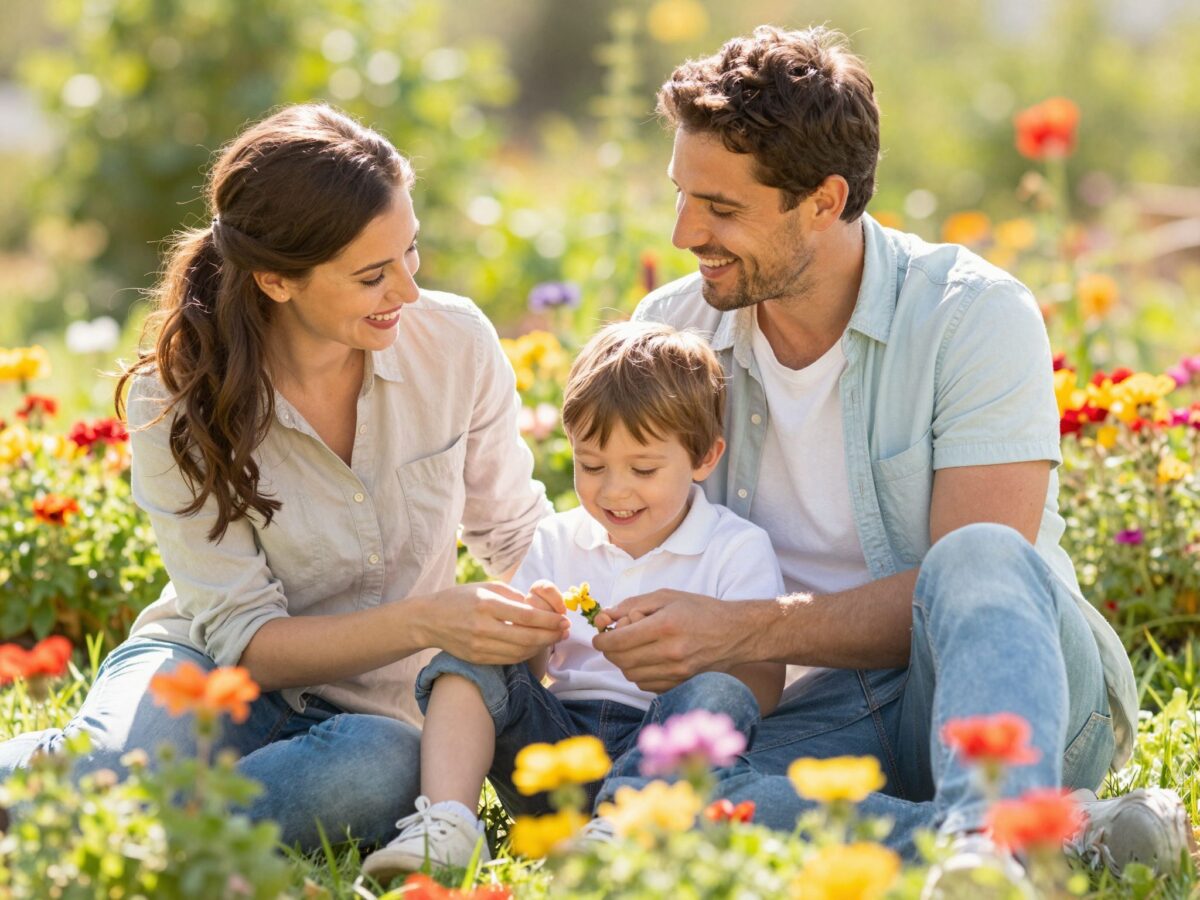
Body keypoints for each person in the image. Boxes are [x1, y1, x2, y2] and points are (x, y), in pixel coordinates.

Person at [589, 25, 1194, 880]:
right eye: (682, 195)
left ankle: (991, 836)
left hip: (1002, 690)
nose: (687, 231)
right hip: (824, 709)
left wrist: (742, 628)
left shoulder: (971, 314)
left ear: (825, 201)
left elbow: (979, 578)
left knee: (977, 553)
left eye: (723, 209)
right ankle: (1018, 842)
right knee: (664, 794)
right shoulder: (676, 330)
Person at [0, 104, 569, 850]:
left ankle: (116, 830)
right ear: (275, 280)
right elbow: (244, 639)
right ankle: (86, 797)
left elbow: (514, 529)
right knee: (111, 763)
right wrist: (427, 621)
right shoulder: (176, 396)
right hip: (207, 666)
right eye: (372, 275)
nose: (407, 291)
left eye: (411, 254)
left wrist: (564, 610)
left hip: (371, 715)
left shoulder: (454, 343)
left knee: (385, 772)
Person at [362, 321, 785, 881]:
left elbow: (763, 688)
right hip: (554, 758)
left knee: (719, 691)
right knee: (473, 651)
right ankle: (449, 824)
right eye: (591, 466)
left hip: (659, 753)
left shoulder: (735, 549)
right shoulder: (558, 538)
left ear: (705, 458)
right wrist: (534, 636)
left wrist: (692, 661)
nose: (614, 491)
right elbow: (531, 677)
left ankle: (624, 829)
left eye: (643, 469)